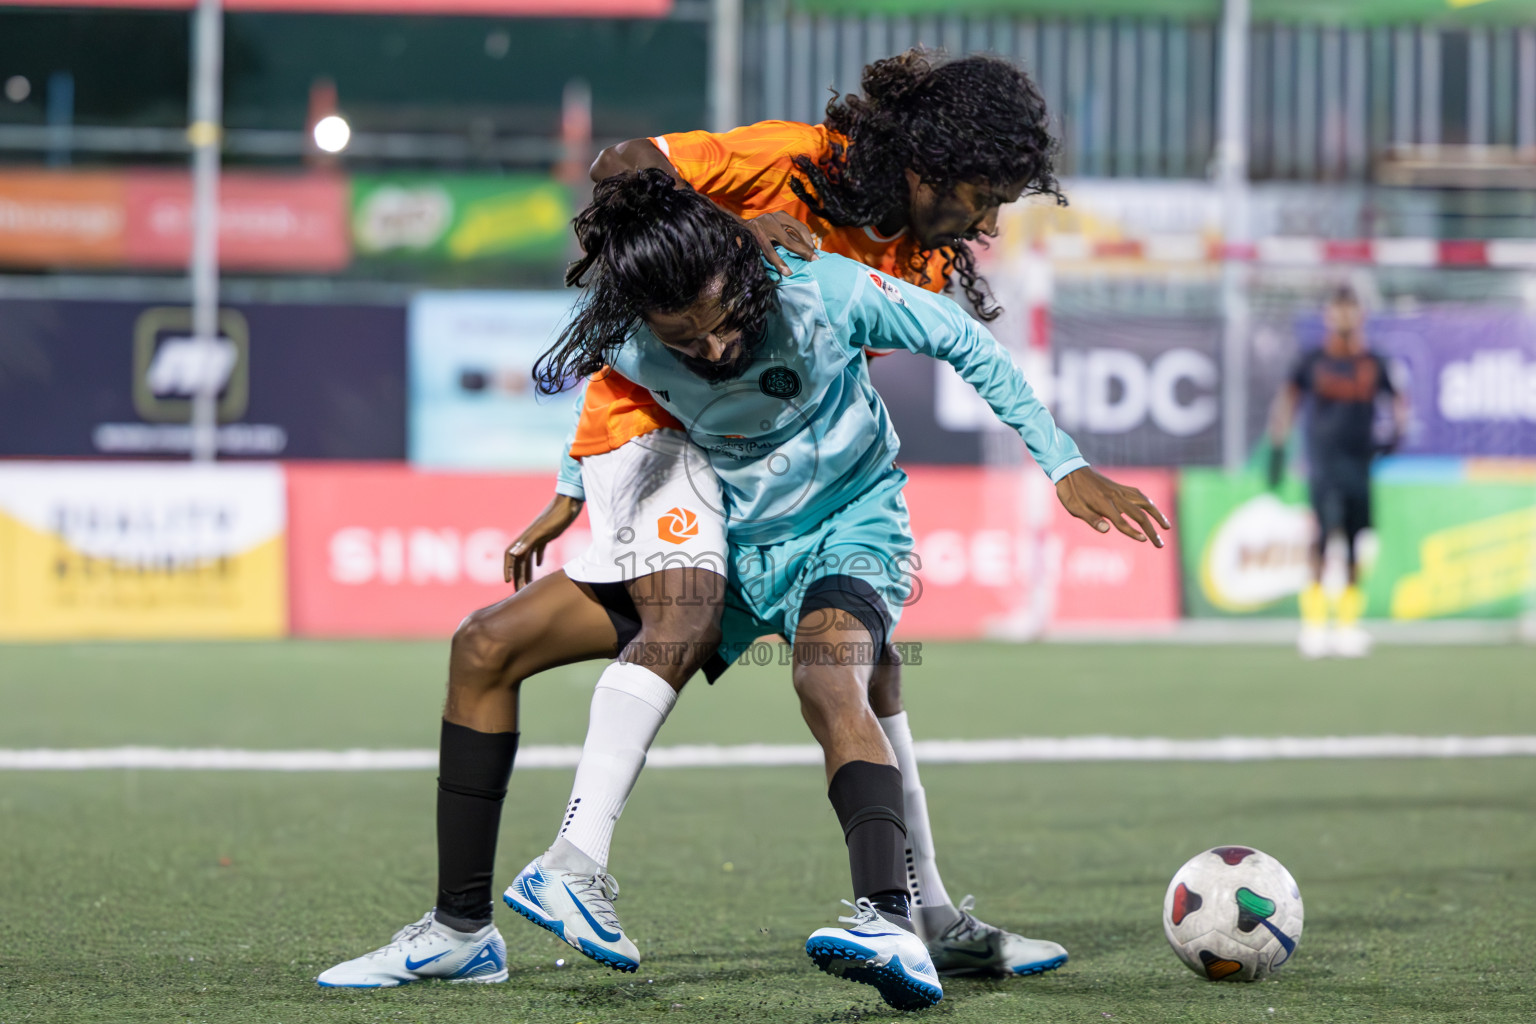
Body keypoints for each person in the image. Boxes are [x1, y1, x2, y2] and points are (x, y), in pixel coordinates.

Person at [513, 171, 1164, 1008]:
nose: (712, 352)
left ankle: (886, 919)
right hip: (739, 536)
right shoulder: (634, 335)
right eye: (687, 341)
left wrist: (1064, 462)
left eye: (722, 325)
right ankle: (918, 916)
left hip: (852, 524)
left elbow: (965, 341)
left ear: (743, 276)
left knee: (829, 676)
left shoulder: (824, 291)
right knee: (843, 677)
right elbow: (616, 393)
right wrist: (569, 489)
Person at [1268, 286, 1408, 658]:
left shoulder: (1373, 363)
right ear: (1328, 315)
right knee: (1320, 541)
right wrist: (1277, 449)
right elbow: (1287, 401)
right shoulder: (1313, 361)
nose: (1344, 317)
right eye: (1338, 310)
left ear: (1360, 315)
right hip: (1324, 466)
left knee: (1356, 544)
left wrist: (1394, 438)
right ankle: (1314, 625)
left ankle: (1346, 624)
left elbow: (1398, 402)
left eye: (1350, 310)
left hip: (1359, 467)